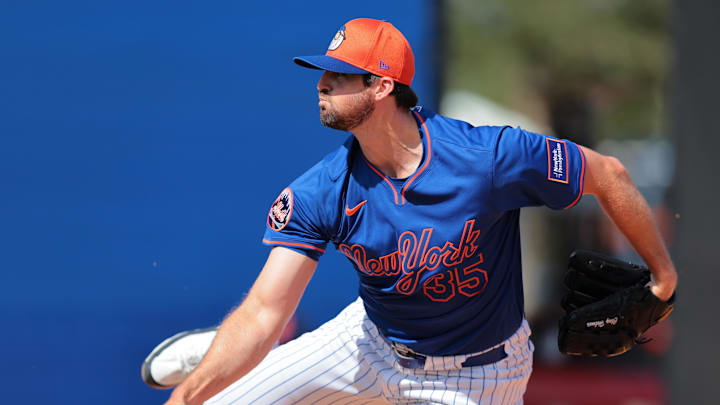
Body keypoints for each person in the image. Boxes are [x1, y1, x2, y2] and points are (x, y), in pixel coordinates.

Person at [146, 18, 677, 405]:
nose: (321, 85)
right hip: (368, 342)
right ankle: (218, 360)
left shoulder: (486, 158)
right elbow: (267, 310)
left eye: (339, 75)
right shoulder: (323, 189)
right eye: (322, 74)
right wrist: (188, 397)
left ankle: (221, 355)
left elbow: (608, 174)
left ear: (381, 86)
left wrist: (663, 278)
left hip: (476, 377)